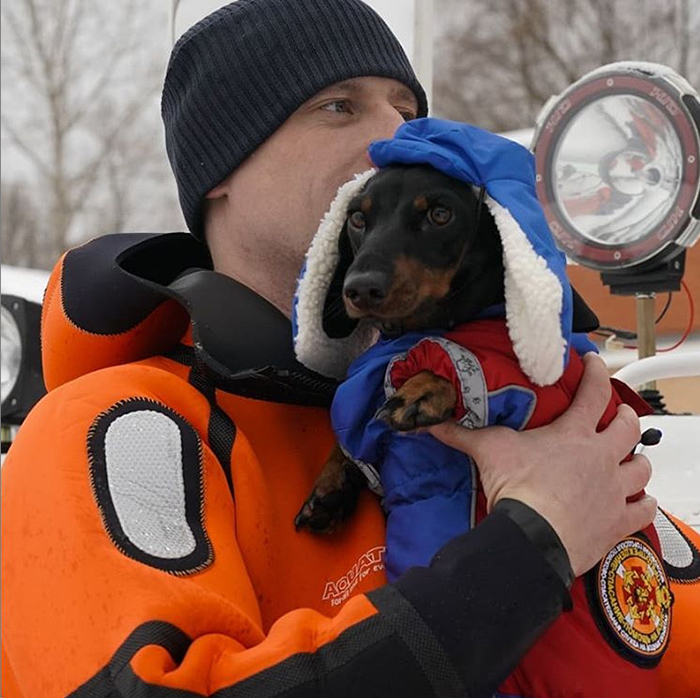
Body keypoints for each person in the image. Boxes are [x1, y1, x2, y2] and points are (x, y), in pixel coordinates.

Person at [4, 1, 694, 696]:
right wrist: (531, 545)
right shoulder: (110, 427)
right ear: (220, 166)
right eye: (339, 107)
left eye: (405, 105)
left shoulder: (490, 400)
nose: (399, 134)